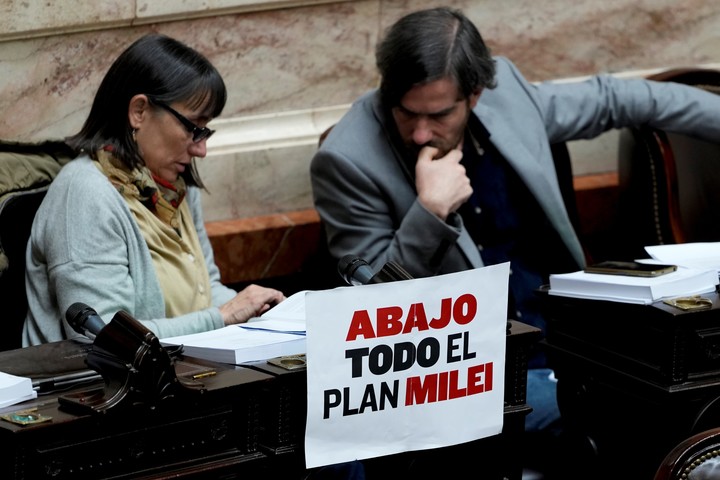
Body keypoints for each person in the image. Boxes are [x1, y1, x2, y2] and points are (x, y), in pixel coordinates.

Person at [310, 6, 720, 477]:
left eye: (439, 114)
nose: (421, 132)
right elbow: (371, 308)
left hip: (576, 345)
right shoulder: (347, 160)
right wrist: (429, 214)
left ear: (476, 94)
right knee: (640, 418)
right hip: (477, 375)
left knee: (693, 397)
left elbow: (620, 98)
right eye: (406, 112)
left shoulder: (509, 94)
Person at [22, 34, 286, 345]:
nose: (201, 150)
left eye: (207, 131)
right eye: (193, 128)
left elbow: (206, 291)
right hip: (96, 389)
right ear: (139, 111)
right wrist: (224, 316)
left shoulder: (175, 185)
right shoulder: (85, 193)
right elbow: (104, 337)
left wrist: (263, 310)